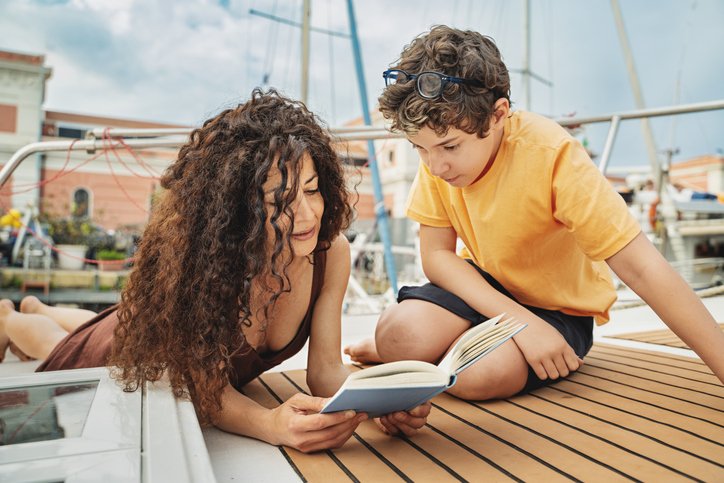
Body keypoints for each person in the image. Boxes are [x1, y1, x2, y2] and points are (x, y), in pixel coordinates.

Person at [0, 89, 429, 452]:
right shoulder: (211, 270)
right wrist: (272, 425)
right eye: (280, 202)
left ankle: (42, 307)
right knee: (61, 347)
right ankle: (13, 317)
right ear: (240, 209)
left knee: (113, 321)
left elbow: (324, 372)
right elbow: (208, 391)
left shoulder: (329, 254)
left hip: (142, 332)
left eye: (313, 190)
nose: (306, 216)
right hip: (131, 357)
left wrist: (381, 402)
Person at [345, 26, 724, 398]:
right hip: (486, 290)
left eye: (450, 147)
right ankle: (416, 351)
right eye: (419, 149)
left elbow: (642, 267)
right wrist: (517, 322)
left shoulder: (552, 154)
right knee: (396, 336)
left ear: (497, 115)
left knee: (480, 377)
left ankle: (431, 355)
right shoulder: (439, 161)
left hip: (556, 309)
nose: (435, 166)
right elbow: (436, 255)